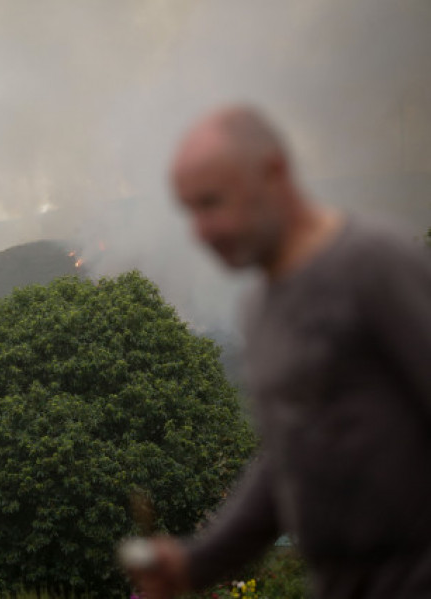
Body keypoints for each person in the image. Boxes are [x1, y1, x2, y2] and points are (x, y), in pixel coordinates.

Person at [131, 105, 431, 598]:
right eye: (190, 211)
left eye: (212, 203)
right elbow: (285, 464)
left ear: (274, 173)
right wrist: (195, 564)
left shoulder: (375, 262)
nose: (199, 231)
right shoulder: (260, 309)